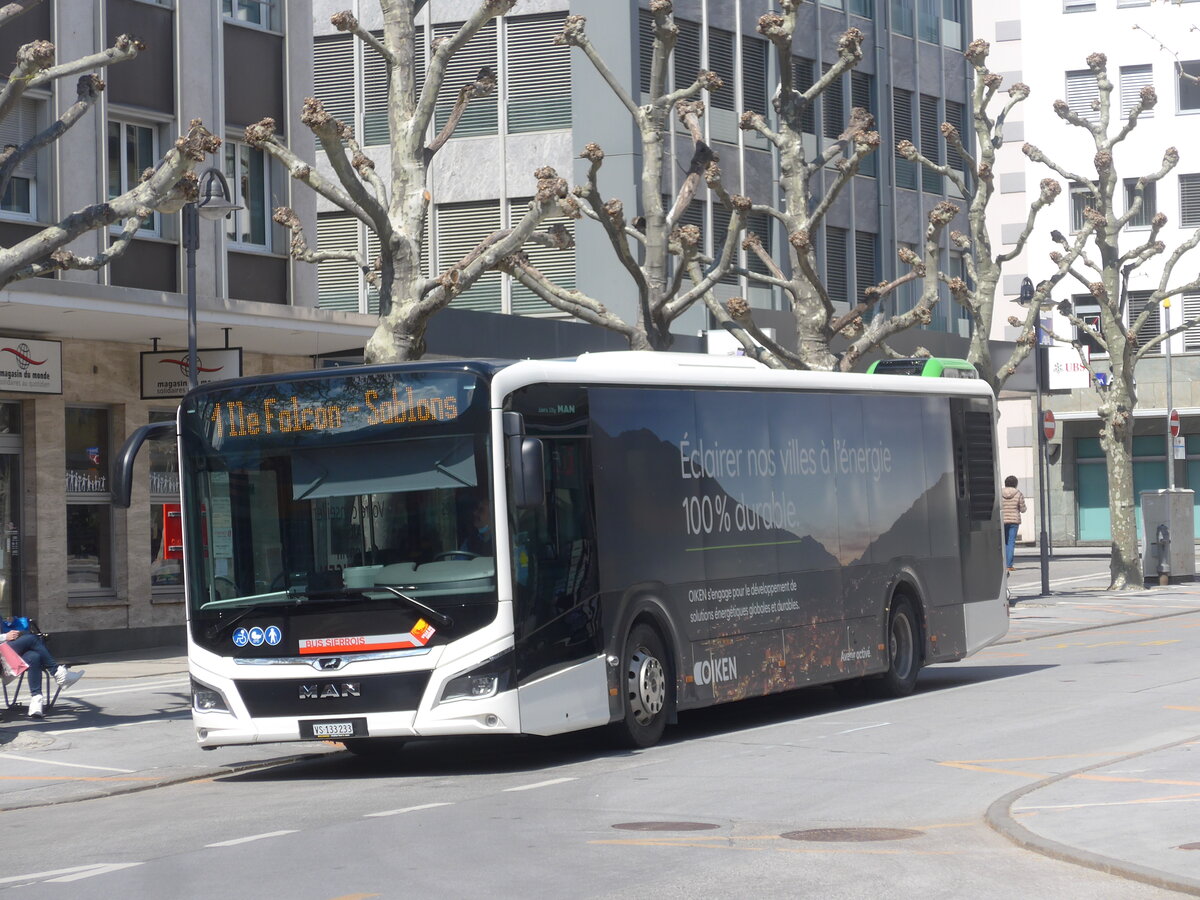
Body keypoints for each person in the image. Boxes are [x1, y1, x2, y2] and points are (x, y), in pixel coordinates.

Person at [2, 616, 84, 718]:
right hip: (2, 654)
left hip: (7, 650)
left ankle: (36, 701)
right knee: (32, 639)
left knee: (34, 657)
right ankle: (57, 673)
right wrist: (5, 637)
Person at [1001, 475, 1026, 572]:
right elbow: (1023, 509)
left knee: (1003, 542)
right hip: (1014, 521)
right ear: (1015, 484)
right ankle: (1009, 565)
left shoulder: (1000, 493)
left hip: (1002, 520)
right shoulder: (1018, 494)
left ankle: (1002, 564)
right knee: (1011, 542)